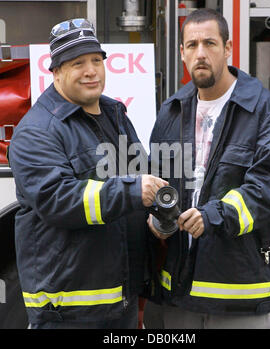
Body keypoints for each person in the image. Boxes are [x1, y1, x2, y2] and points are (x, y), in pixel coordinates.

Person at [8, 18, 167, 329]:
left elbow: (139, 176)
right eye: (77, 63)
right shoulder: (36, 132)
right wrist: (135, 191)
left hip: (121, 302)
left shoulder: (115, 115)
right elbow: (58, 200)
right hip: (69, 313)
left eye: (96, 60)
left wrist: (156, 217)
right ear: (55, 72)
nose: (91, 70)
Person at [147, 8, 270, 329]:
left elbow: (266, 192)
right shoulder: (171, 112)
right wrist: (157, 219)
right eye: (193, 45)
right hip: (179, 295)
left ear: (228, 49)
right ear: (182, 52)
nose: (201, 54)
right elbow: (159, 184)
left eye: (210, 44)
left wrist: (212, 216)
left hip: (239, 297)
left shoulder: (266, 112)